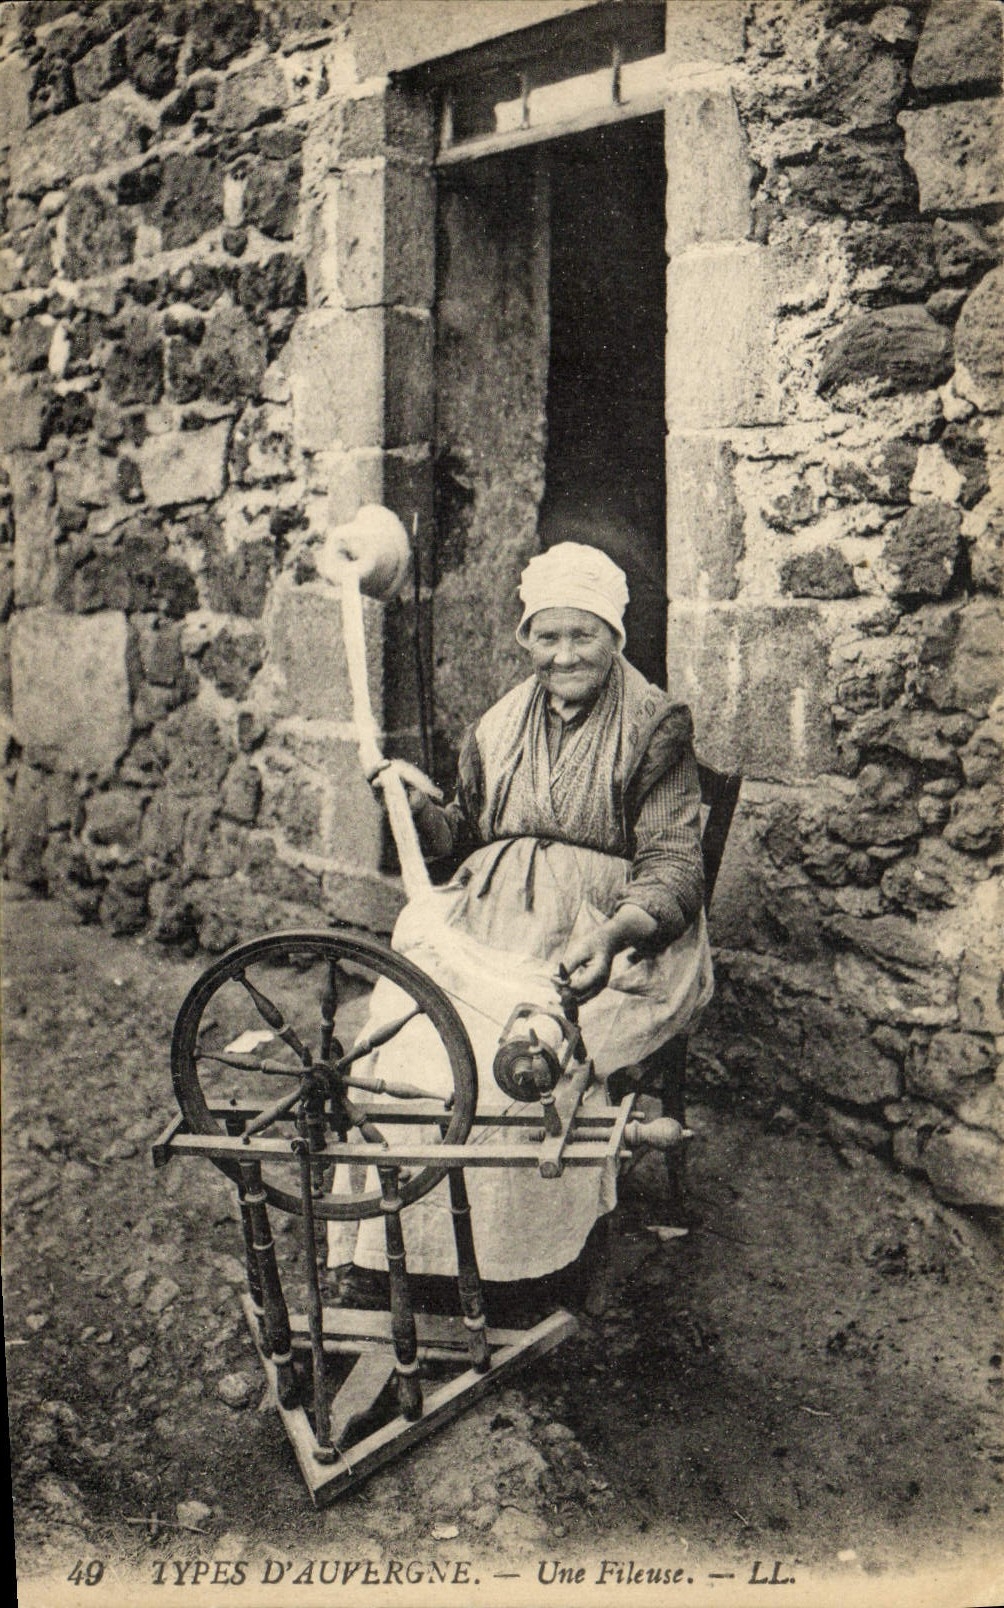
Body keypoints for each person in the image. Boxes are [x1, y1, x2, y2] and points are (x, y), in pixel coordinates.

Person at [327, 540, 713, 1312]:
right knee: (412, 1038)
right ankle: (391, 1247)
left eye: (584, 634)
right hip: (489, 918)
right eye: (547, 635)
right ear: (524, 638)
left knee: (529, 1061)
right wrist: (413, 807)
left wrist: (612, 936)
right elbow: (463, 837)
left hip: (611, 936)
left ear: (616, 635)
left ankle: (524, 1266)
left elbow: (674, 865)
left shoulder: (653, 724)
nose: (564, 654)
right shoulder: (501, 722)